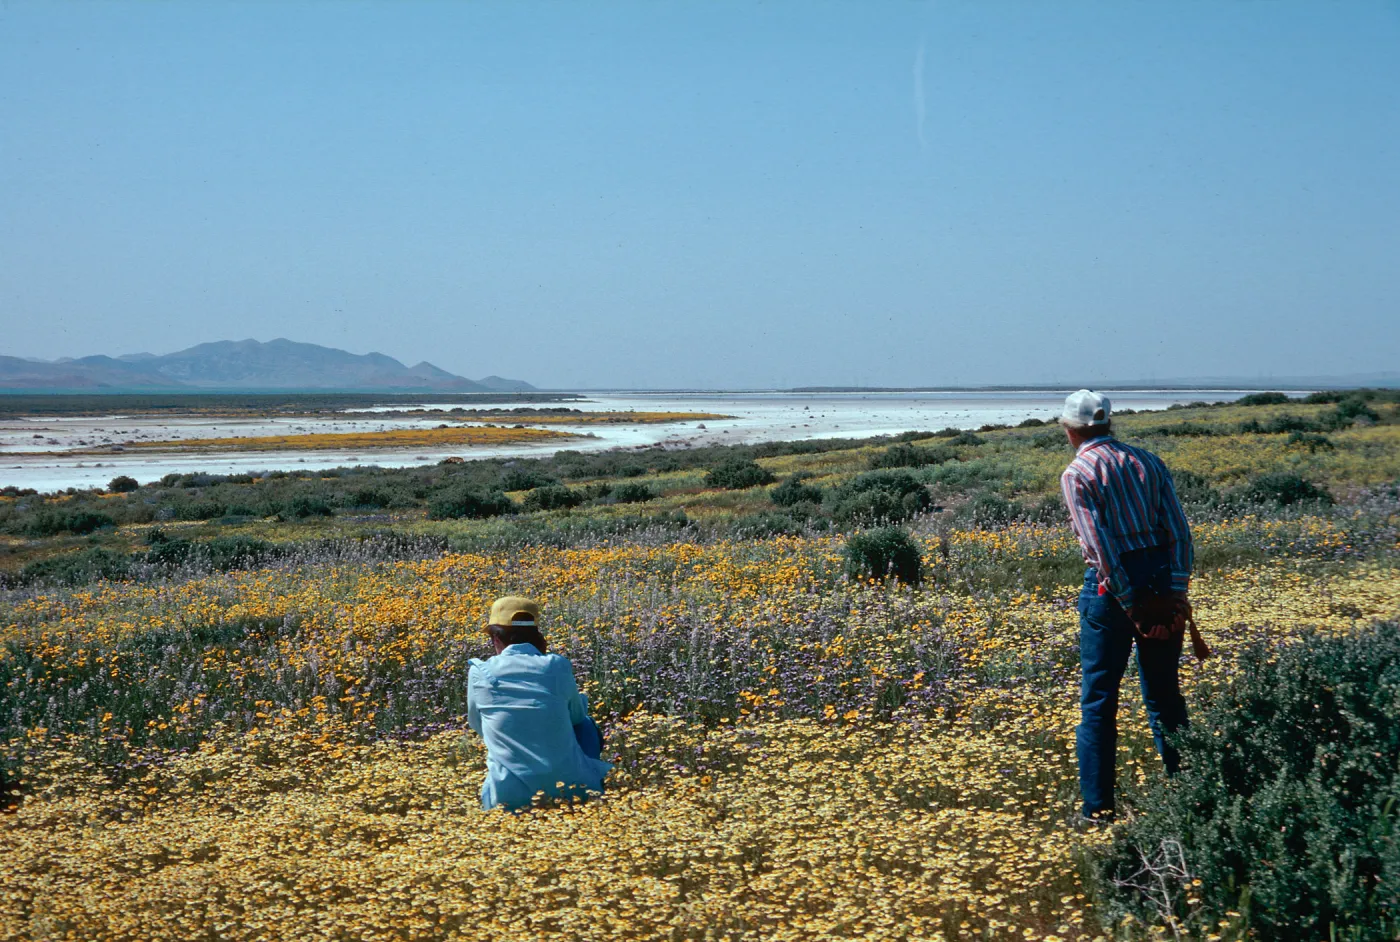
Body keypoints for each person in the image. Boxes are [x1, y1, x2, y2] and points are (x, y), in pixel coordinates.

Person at [1058, 389, 1194, 826]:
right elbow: (1179, 534)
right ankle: (1189, 795)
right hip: (1159, 582)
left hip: (1110, 596)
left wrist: (1133, 607)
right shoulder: (1148, 462)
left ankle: (1098, 811)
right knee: (1164, 696)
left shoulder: (1078, 473)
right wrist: (1173, 596)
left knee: (1099, 701)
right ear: (1108, 423)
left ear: (1069, 430)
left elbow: (1101, 551)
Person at [467, 596, 611, 811]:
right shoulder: (556, 665)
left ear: (496, 638)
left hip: (506, 796)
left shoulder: (479, 672)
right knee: (586, 724)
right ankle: (590, 787)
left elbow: (478, 725)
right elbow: (576, 717)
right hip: (569, 789)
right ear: (536, 634)